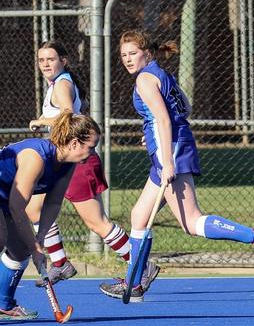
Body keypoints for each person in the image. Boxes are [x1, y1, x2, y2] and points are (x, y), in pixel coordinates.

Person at [99, 30, 254, 302]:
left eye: (132, 53)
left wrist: (167, 158)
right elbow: (184, 108)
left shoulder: (145, 80)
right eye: (123, 55)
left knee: (191, 222)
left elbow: (164, 119)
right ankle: (135, 283)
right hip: (171, 147)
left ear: (147, 52)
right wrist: (151, 131)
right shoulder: (161, 74)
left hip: (169, 154)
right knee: (139, 216)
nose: (127, 59)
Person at [27, 40, 159, 289]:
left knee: (97, 222)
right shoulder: (59, 83)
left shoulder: (62, 85)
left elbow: (67, 113)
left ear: (63, 60)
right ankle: (60, 263)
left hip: (77, 161)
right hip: (61, 161)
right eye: (41, 60)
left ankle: (141, 266)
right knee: (34, 208)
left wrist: (40, 120)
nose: (45, 64)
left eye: (51, 59)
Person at [0, 112, 99, 321]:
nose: (93, 153)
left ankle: (3, 306)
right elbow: (17, 206)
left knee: (20, 250)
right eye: (91, 146)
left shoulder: (67, 164)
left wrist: (39, 239)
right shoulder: (36, 157)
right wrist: (35, 247)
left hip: (4, 191)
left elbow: (53, 202)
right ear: (75, 143)